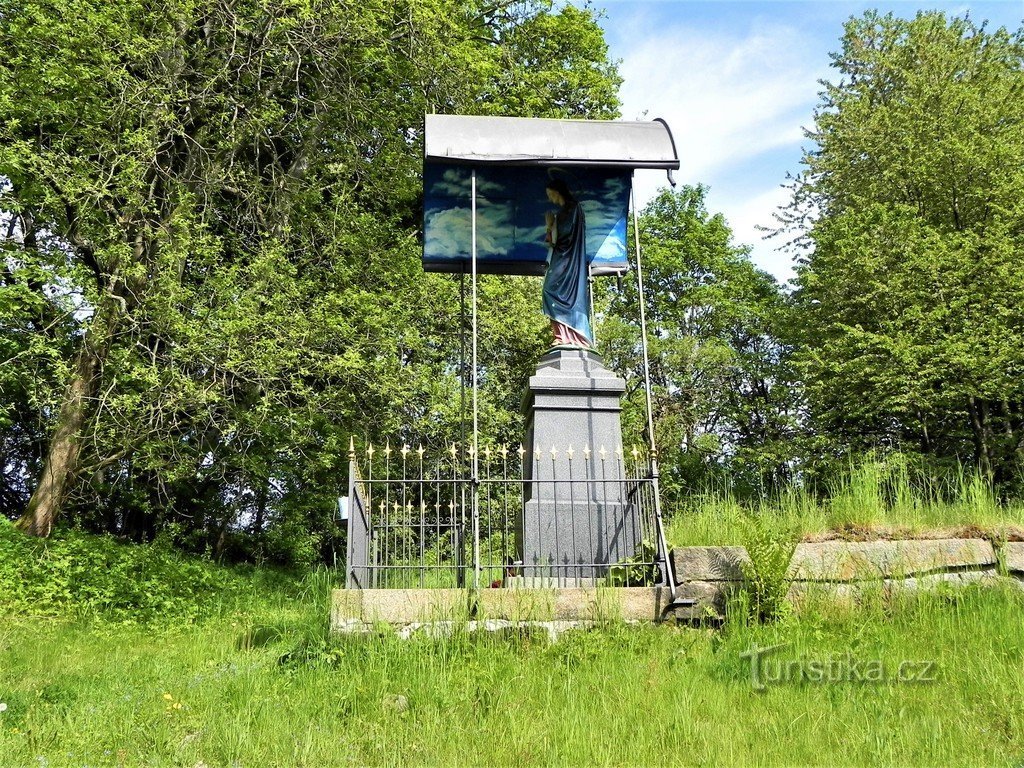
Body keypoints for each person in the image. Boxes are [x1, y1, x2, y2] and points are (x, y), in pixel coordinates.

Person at [542, 179, 592, 348]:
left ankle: (569, 335)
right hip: (561, 258)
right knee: (550, 291)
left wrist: (550, 226)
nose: (550, 199)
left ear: (558, 191)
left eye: (551, 194)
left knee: (550, 291)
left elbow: (561, 237)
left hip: (567, 261)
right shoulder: (565, 211)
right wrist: (551, 227)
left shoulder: (572, 209)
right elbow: (552, 240)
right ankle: (560, 335)